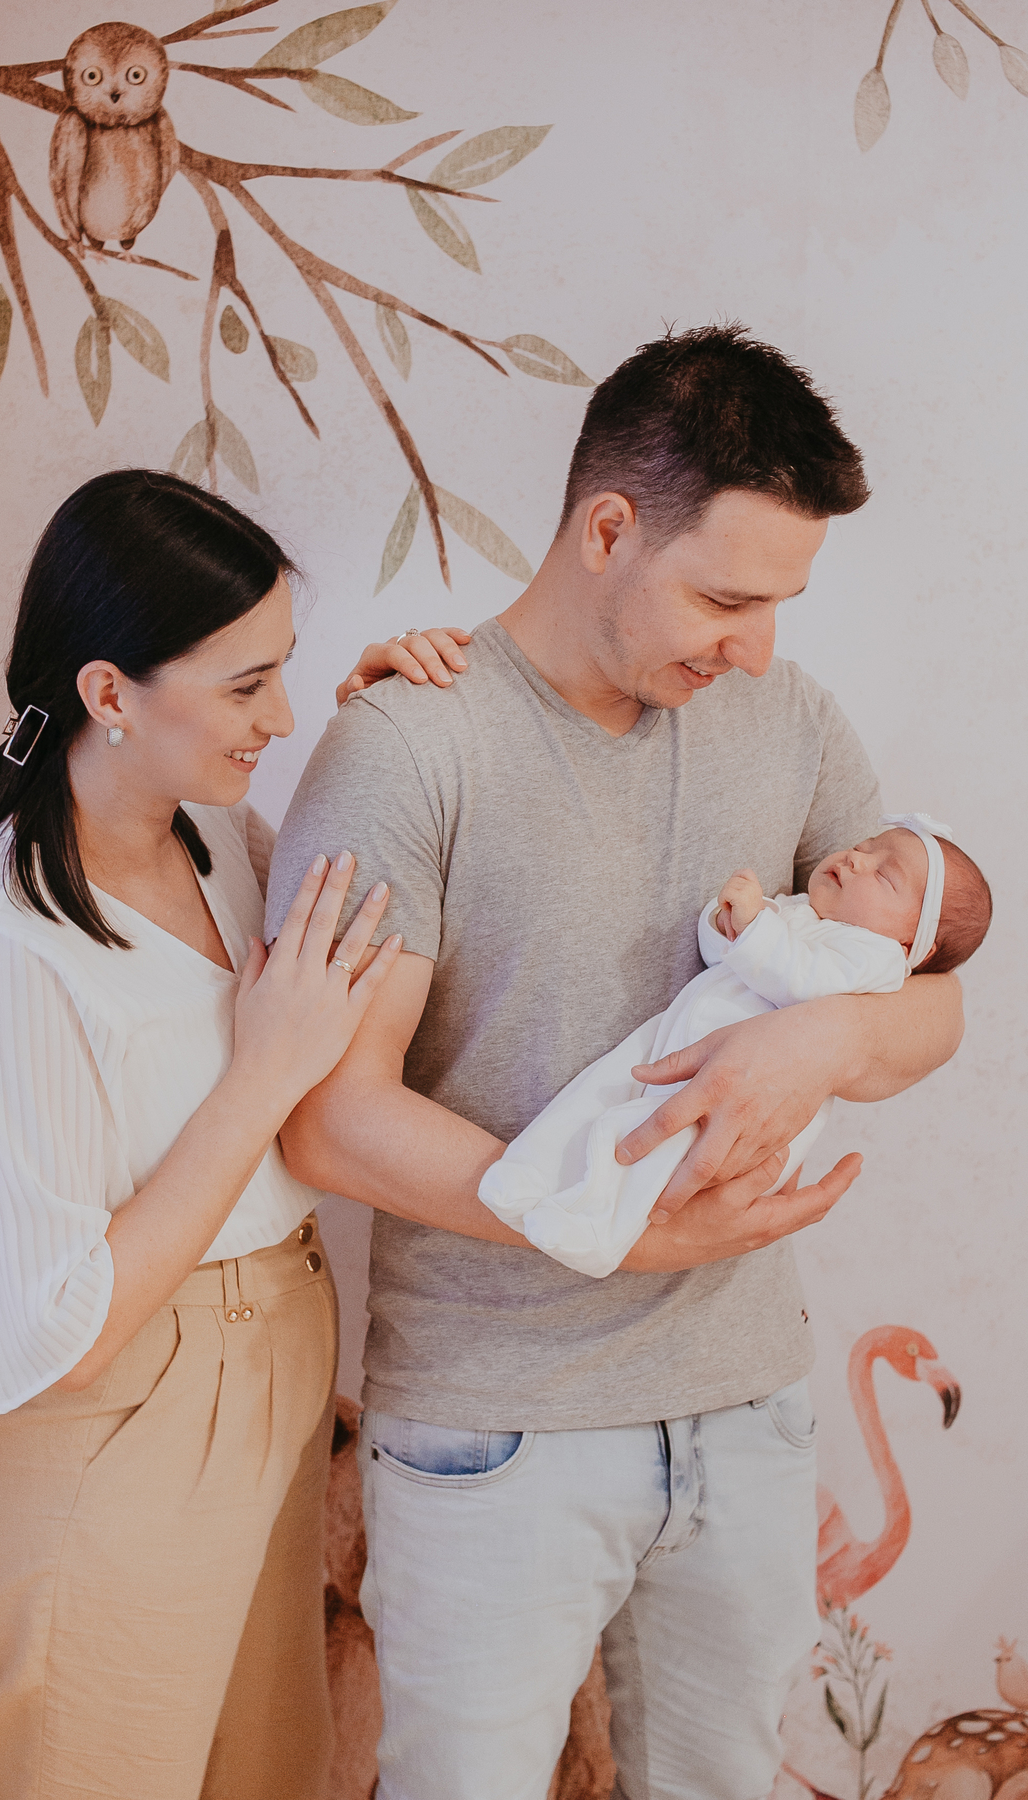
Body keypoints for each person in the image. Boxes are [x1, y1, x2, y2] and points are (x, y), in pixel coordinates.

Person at [264, 325, 968, 1800]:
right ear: (605, 529)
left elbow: (926, 1005)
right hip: (492, 1430)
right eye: (724, 596)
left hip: (746, 1409)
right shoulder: (408, 747)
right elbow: (333, 1121)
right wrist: (627, 1228)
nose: (757, 647)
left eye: (782, 603)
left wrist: (824, 1033)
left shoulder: (786, 723)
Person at [0, 467, 470, 1800]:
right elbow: (65, 1327)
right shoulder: (12, 948)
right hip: (118, 1410)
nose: (275, 714)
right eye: (242, 687)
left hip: (271, 1353)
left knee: (267, 1768)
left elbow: (344, 932)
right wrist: (259, 1080)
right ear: (109, 693)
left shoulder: (216, 833)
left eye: (282, 674)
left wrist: (370, 732)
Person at [480, 816, 992, 1277]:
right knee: (597, 1089)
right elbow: (726, 955)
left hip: (737, 1098)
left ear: (912, 945)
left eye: (884, 875)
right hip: (676, 1039)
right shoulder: (802, 913)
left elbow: (802, 980)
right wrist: (724, 920)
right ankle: (528, 1172)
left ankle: (595, 1229)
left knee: (647, 1146)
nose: (857, 858)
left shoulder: (874, 958)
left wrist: (757, 927)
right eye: (864, 845)